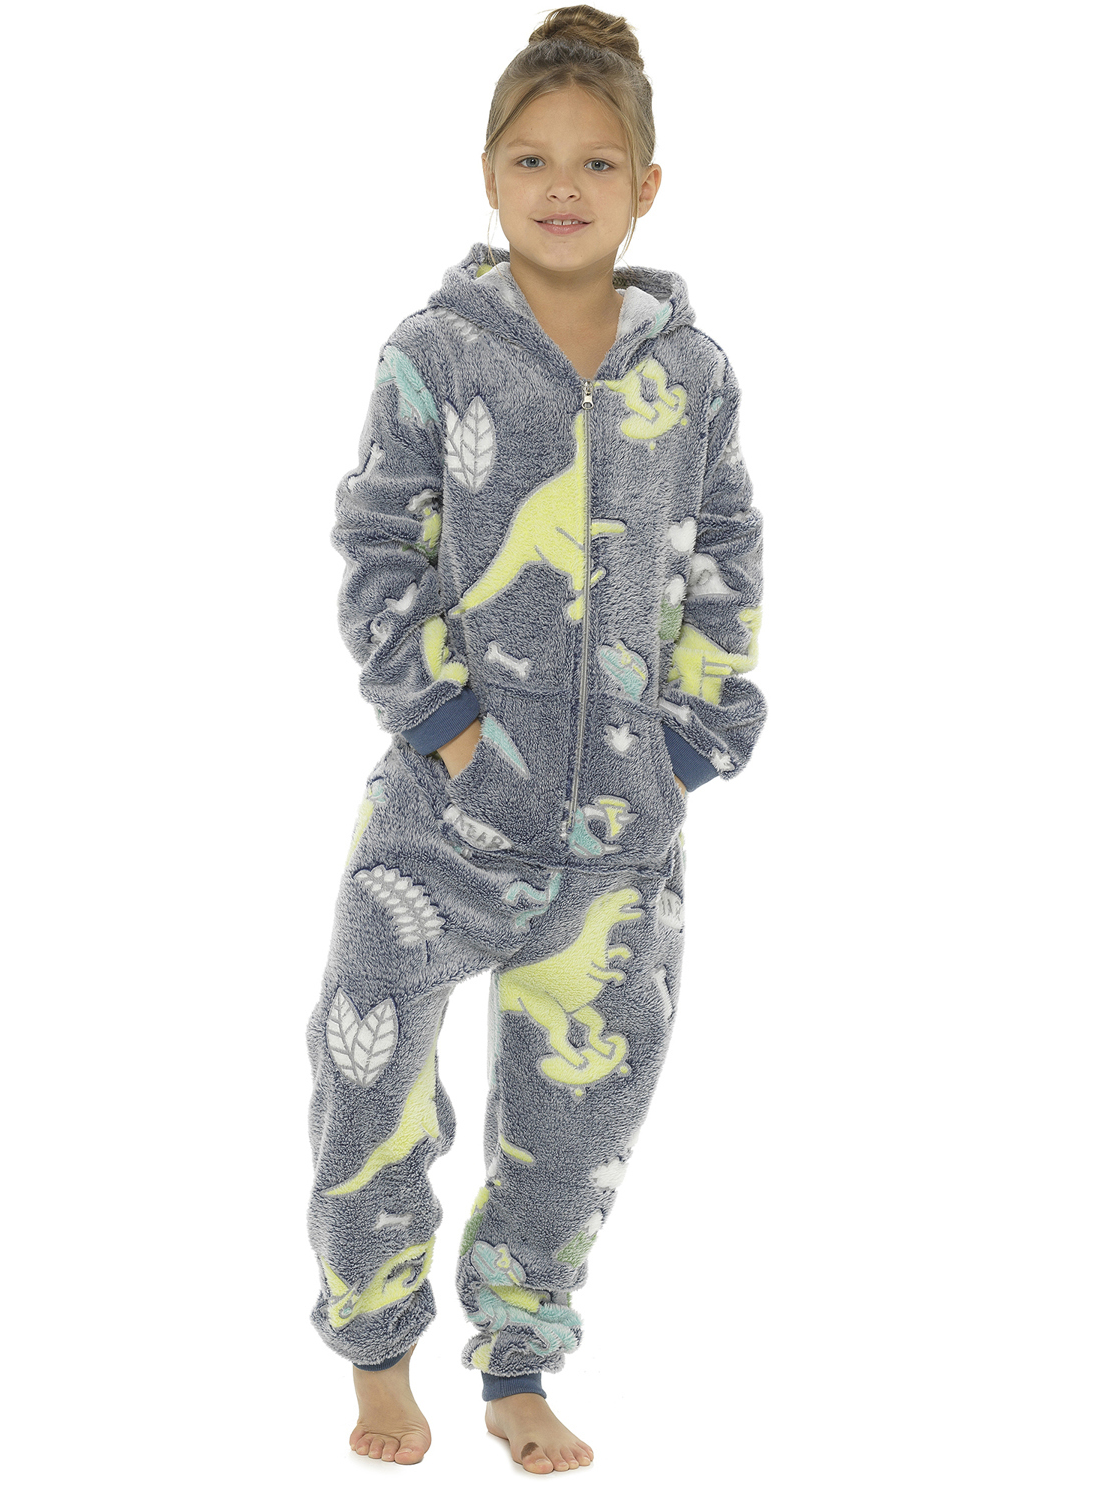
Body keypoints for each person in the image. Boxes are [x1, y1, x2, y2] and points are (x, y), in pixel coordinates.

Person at [305, 4, 767, 1474]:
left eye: (597, 161)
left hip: (621, 836)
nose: (562, 185)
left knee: (579, 1117)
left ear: (647, 187)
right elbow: (379, 544)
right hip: (440, 824)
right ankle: (378, 1353)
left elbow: (728, 552)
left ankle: (517, 1364)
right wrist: (444, 728)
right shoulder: (436, 352)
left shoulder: (694, 373)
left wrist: (692, 739)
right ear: (488, 177)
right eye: (531, 159)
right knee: (368, 1080)